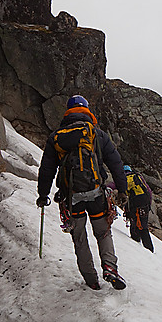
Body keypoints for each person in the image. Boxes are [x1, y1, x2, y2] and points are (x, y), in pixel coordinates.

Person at [36, 95, 128, 291]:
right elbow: (116, 163)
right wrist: (122, 189)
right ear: (87, 110)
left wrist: (43, 195)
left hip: (71, 197)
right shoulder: (98, 134)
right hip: (96, 194)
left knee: (79, 237)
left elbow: (46, 170)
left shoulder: (56, 137)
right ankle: (110, 268)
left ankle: (91, 279)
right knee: (103, 233)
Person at [123, 165, 154, 252]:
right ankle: (149, 248)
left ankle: (136, 244)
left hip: (135, 204)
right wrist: (149, 204)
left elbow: (114, 185)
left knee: (135, 222)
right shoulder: (138, 177)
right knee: (143, 225)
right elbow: (148, 190)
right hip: (145, 202)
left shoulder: (124, 178)